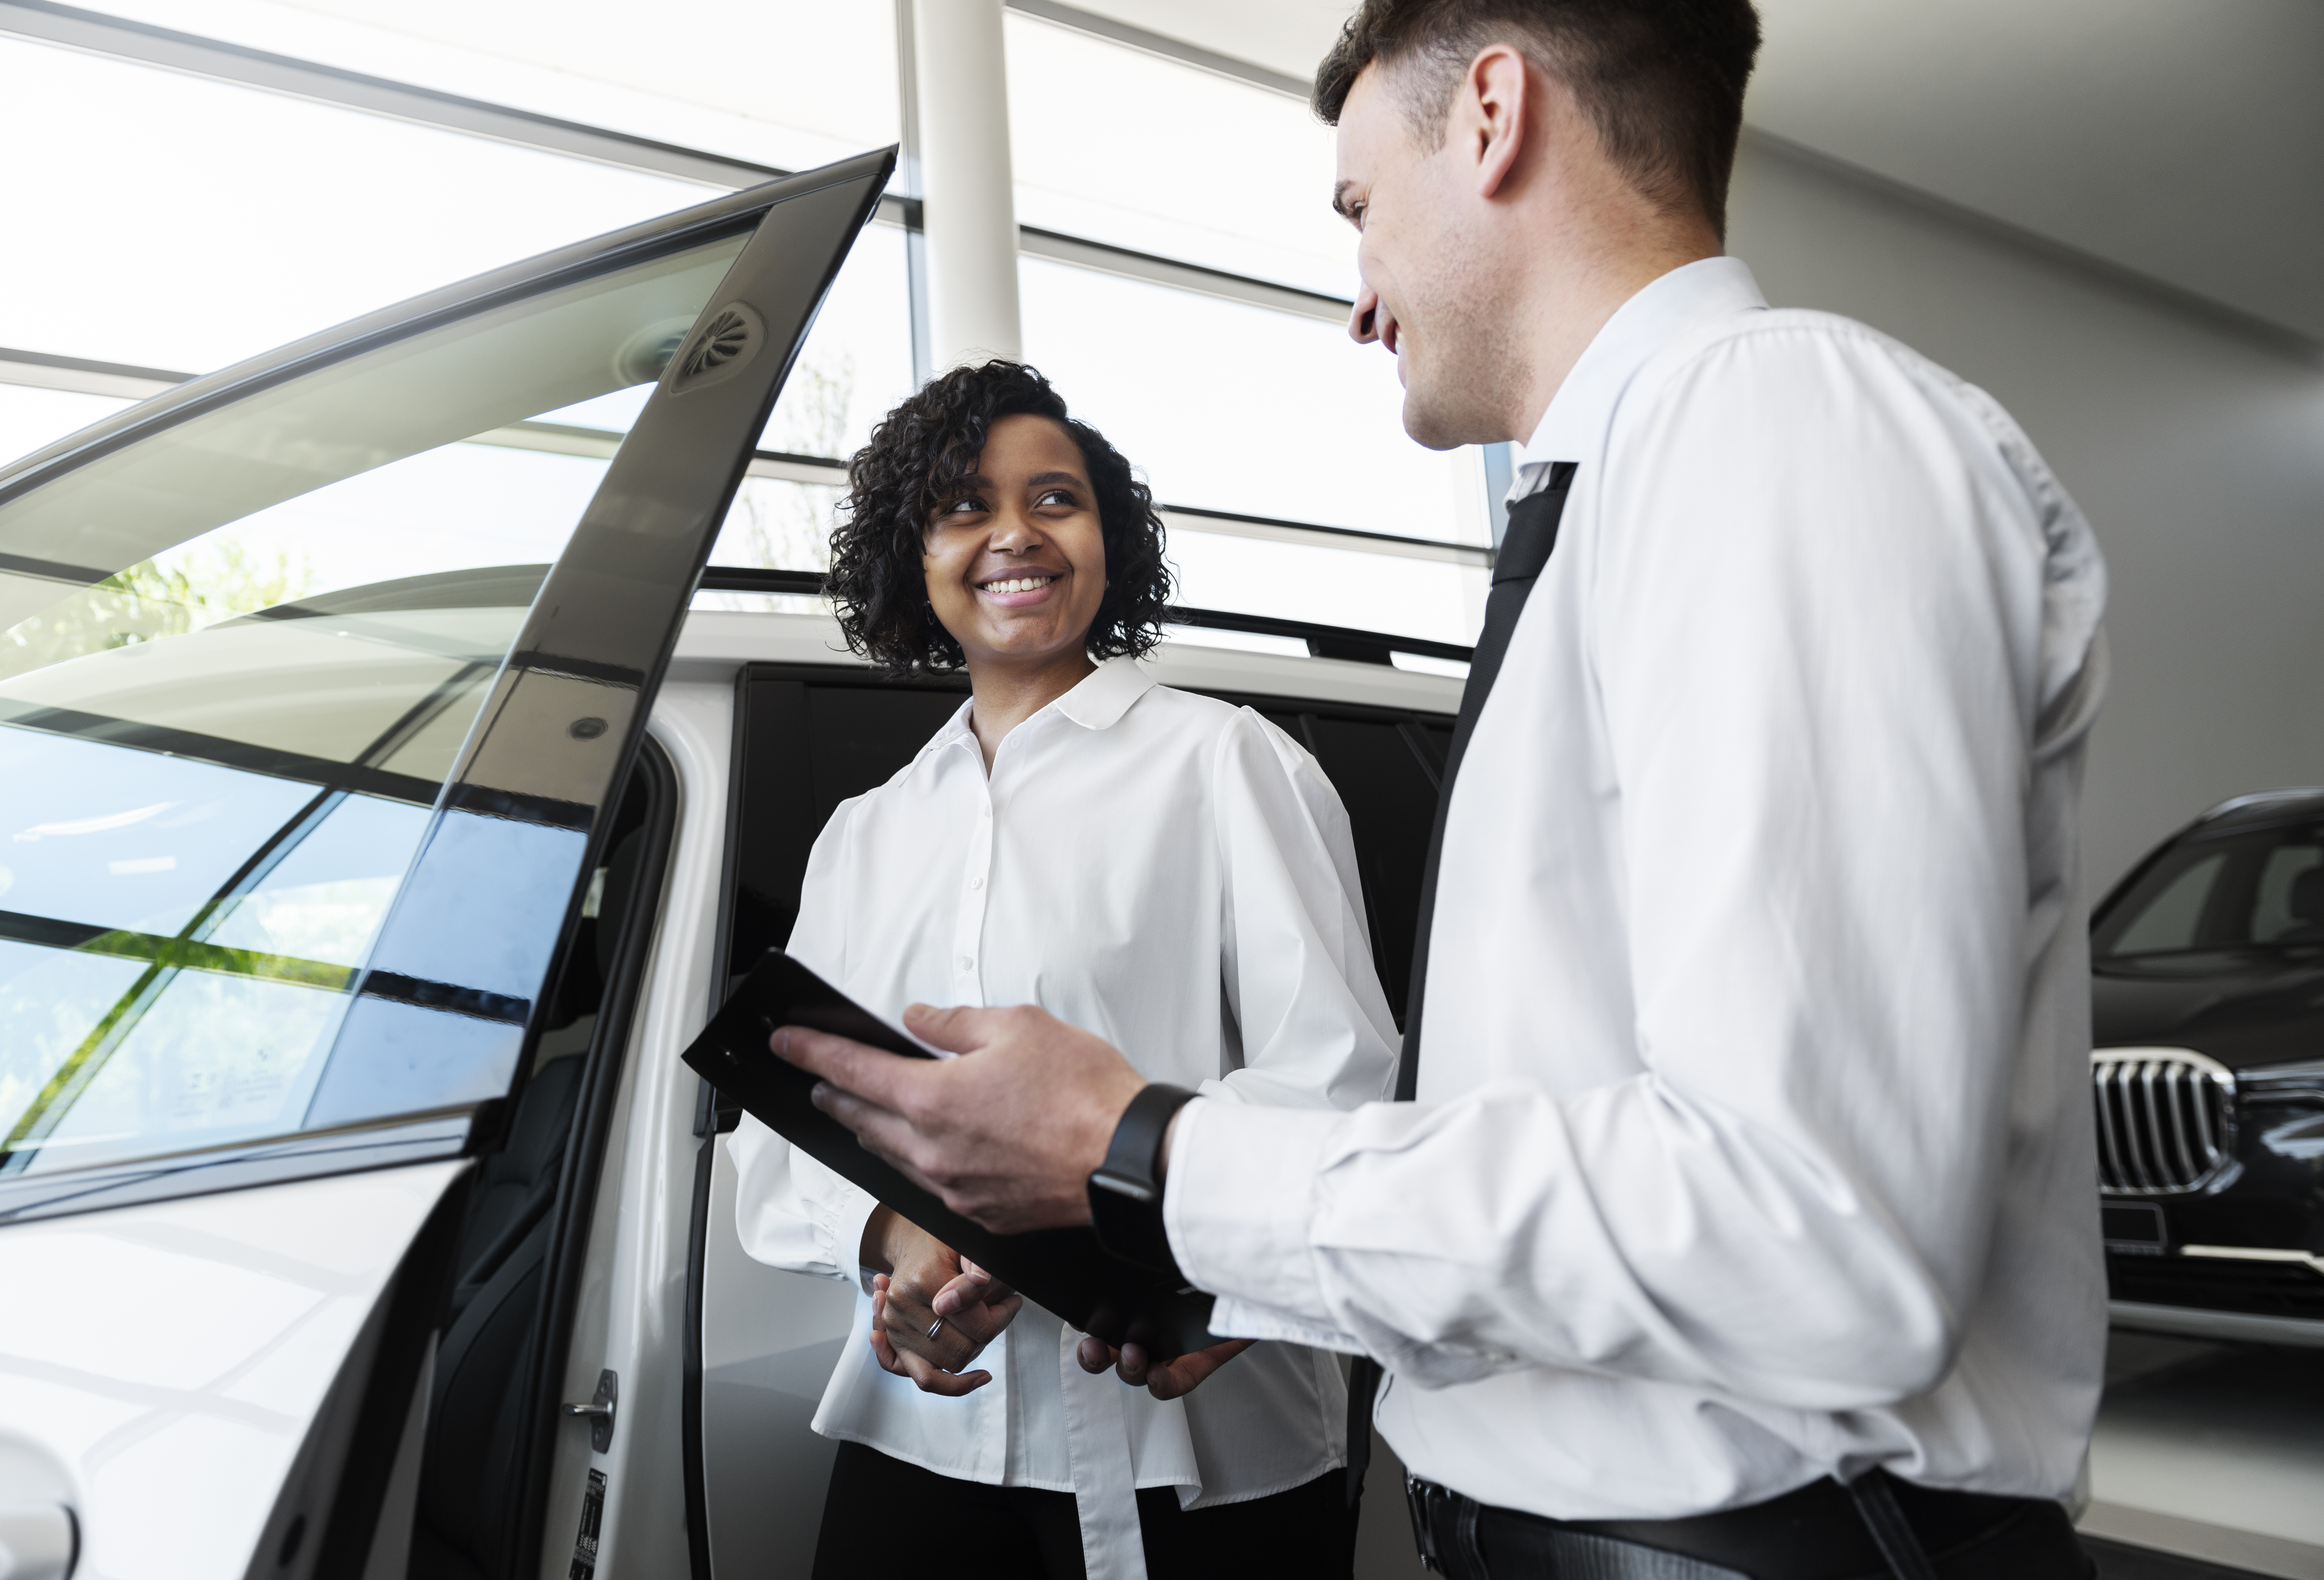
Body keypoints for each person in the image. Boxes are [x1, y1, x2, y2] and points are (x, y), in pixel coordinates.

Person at [769, 3, 2114, 1578]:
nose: (1359, 298)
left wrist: (1140, 1158)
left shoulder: (1770, 422)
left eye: (1357, 207)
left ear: (1491, 115)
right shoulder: (1622, 503)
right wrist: (1206, 1255)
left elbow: (1813, 1232)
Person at [728, 360, 1399, 1580]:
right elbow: (780, 1141)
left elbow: (1339, 1084)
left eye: (1056, 498)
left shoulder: (1227, 766)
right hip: (925, 1433)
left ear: (1110, 538)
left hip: (1192, 1443)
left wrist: (1122, 1227)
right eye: (963, 508)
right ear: (912, 556)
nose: (1014, 536)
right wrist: (896, 1240)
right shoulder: (867, 832)